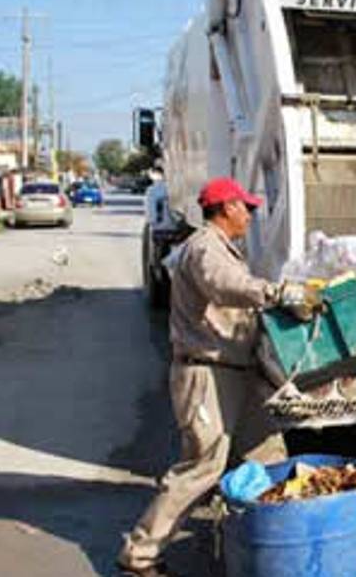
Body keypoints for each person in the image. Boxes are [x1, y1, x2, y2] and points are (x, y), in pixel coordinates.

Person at [118, 177, 302, 576]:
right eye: (246, 207)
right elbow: (224, 286)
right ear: (227, 208)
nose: (250, 215)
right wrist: (277, 293)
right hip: (206, 375)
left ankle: (268, 543)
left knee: (269, 456)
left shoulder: (223, 249)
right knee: (202, 467)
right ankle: (140, 554)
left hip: (237, 375)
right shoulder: (205, 247)